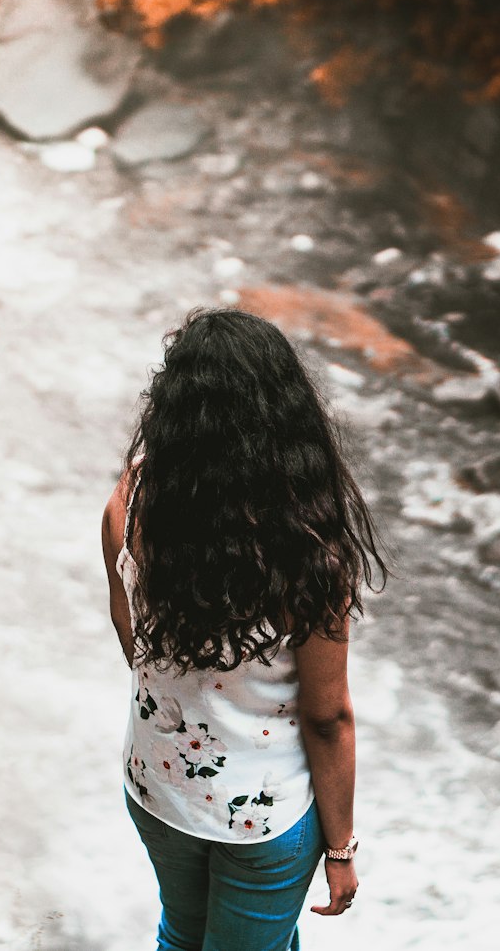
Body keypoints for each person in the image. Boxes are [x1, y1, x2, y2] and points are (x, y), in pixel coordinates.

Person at [101, 307, 386, 951]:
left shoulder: (132, 501)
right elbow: (326, 718)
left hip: (157, 787)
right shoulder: (307, 555)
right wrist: (341, 848)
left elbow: (131, 633)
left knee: (182, 936)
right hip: (261, 817)